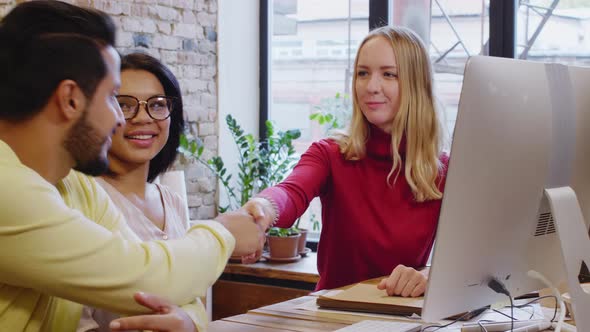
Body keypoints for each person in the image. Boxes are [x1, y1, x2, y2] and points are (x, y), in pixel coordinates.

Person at [0, 1, 264, 331]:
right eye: (114, 98)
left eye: (156, 105)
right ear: (70, 99)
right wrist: (223, 232)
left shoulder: (76, 187)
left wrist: (188, 320)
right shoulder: (6, 188)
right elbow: (152, 275)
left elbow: (158, 285)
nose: (120, 118)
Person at [242, 26, 448, 297]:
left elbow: (471, 258)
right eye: (363, 73)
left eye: (389, 74)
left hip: (404, 320)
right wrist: (261, 208)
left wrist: (427, 275)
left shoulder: (444, 171)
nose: (371, 86)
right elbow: (291, 193)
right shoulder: (329, 154)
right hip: (333, 317)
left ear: (417, 84)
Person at [73, 52, 206, 332]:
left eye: (157, 105)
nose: (143, 118)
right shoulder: (82, 198)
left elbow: (193, 301)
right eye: (124, 104)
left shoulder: (172, 201)